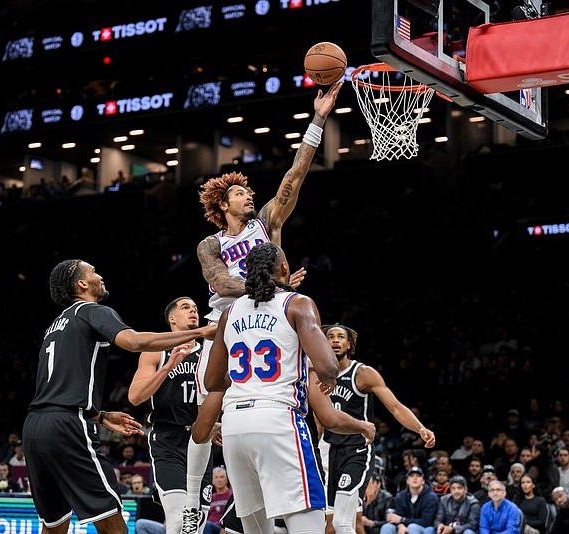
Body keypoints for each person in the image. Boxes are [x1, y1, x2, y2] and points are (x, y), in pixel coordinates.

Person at [185, 81, 344, 534]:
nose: (249, 195)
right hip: (227, 321)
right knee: (209, 406)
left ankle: (294, 466)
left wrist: (318, 119)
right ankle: (197, 494)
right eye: (240, 193)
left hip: (268, 313)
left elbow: (294, 176)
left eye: (250, 191)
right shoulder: (210, 244)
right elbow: (217, 282)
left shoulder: (266, 222)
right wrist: (264, 286)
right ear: (222, 202)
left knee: (300, 386)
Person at [22, 259, 216, 534]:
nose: (100, 276)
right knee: (112, 521)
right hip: (68, 424)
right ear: (82, 284)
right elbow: (133, 342)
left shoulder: (54, 325)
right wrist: (201, 332)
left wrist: (99, 416)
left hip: (35, 427)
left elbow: (58, 384)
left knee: (54, 526)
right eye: (93, 272)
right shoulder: (91, 310)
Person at [202, 242, 366, 534]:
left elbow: (212, 381)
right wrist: (328, 378)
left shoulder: (230, 312)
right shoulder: (297, 303)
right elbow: (328, 366)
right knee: (308, 524)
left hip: (234, 425)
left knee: (255, 529)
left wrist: (247, 381)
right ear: (285, 269)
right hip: (278, 419)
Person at [321, 323, 436, 534]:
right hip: (331, 451)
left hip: (357, 450)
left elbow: (395, 407)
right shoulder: (318, 374)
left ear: (349, 344)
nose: (335, 340)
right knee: (329, 525)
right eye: (330, 337)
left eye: (340, 337)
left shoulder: (363, 373)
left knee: (343, 522)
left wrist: (420, 429)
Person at [127, 296, 214, 534]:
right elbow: (135, 396)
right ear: (172, 319)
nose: (193, 311)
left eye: (196, 308)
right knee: (176, 521)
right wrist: (169, 366)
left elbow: (220, 394)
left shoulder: (209, 351)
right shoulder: (156, 350)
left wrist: (216, 422)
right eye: (186, 307)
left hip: (200, 439)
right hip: (167, 439)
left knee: (196, 524)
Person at [381, 466, 439, 534]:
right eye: (411, 476)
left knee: (412, 527)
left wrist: (403, 520)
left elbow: (426, 522)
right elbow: (397, 516)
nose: (415, 478)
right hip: (404, 525)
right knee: (387, 527)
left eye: (418, 476)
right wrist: (400, 525)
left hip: (425, 529)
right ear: (407, 481)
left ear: (423, 481)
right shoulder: (400, 496)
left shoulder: (431, 497)